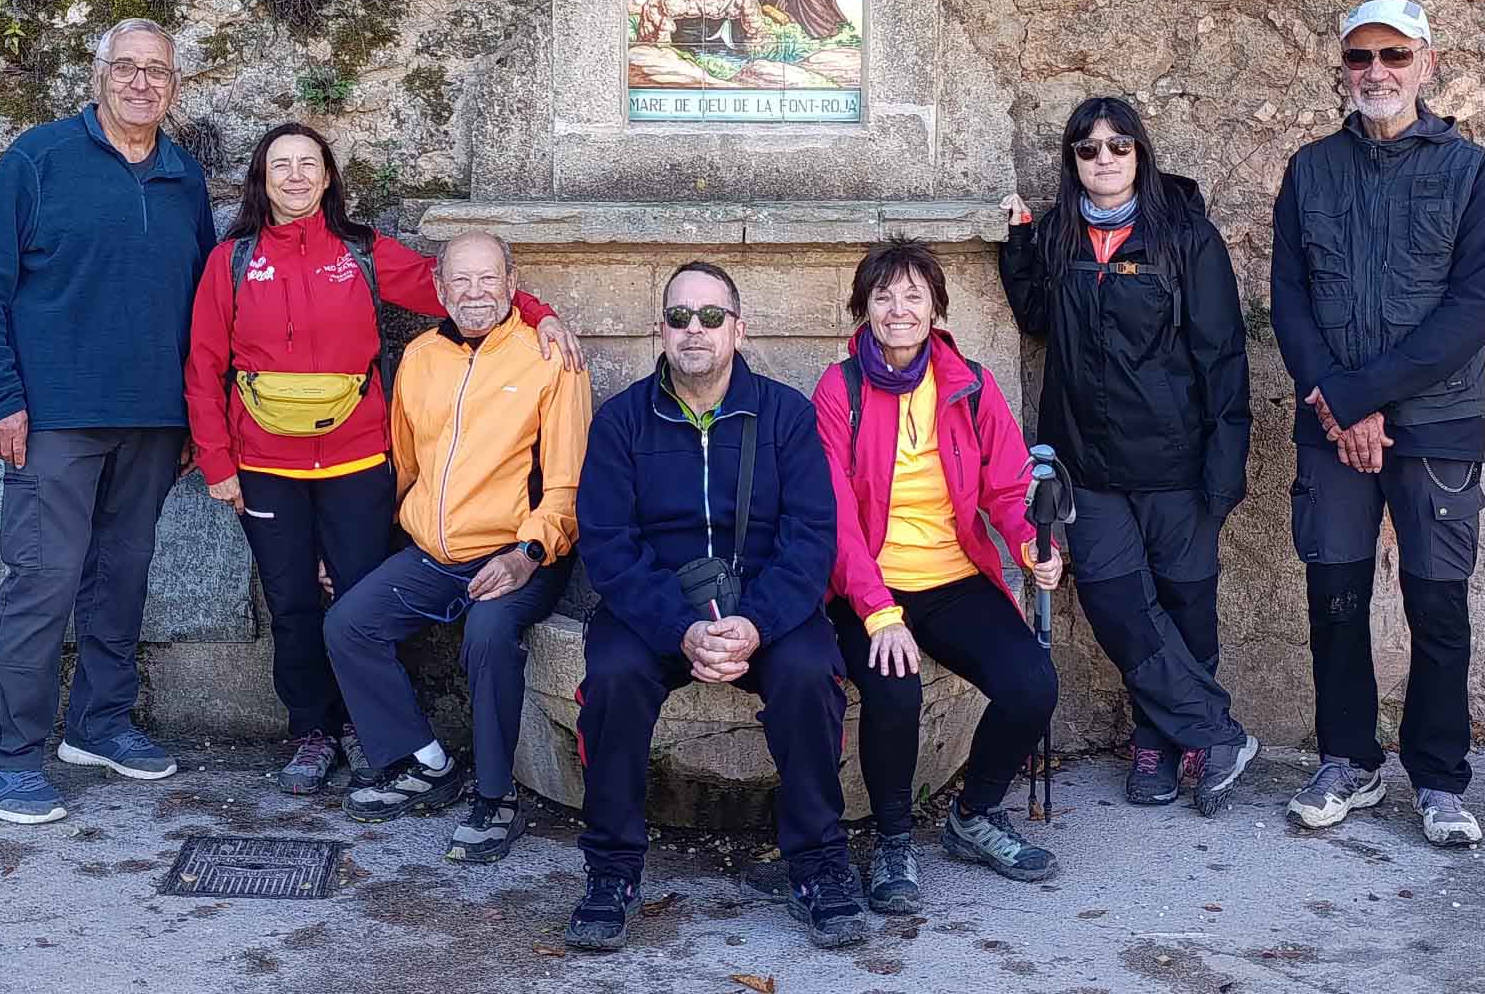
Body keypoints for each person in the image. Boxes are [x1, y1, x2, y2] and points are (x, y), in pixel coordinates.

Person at [183, 125, 582, 796]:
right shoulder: (231, 260)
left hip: (359, 462)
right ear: (262, 178)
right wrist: (216, 459)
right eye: (281, 165)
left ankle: (372, 735)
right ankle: (312, 729)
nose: (296, 176)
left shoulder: (363, 253)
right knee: (289, 602)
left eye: (309, 164)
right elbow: (203, 363)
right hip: (266, 463)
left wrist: (540, 313)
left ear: (330, 177)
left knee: (359, 597)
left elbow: (461, 290)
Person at [0, 17, 216, 824]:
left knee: (121, 578)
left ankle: (98, 725)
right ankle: (1, 759)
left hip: (153, 424)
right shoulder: (39, 158)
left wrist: (195, 421)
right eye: (126, 67)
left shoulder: (183, 176)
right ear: (98, 75)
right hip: (55, 419)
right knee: (43, 580)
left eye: (157, 72)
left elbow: (204, 306)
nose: (142, 82)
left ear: (175, 87)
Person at [564, 262, 868, 953]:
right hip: (657, 608)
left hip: (765, 605)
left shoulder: (785, 415)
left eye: (709, 316)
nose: (693, 330)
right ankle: (612, 869)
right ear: (660, 330)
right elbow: (608, 545)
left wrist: (754, 623)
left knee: (808, 674)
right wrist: (682, 628)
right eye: (679, 317)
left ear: (739, 327)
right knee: (612, 678)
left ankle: (818, 863)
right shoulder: (621, 423)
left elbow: (810, 536)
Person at [1271, 0, 1485, 848]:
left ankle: (1440, 779)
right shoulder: (1309, 171)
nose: (1377, 72)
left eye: (1394, 56)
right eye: (1361, 57)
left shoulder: (1472, 172)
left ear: (1426, 64)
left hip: (1435, 424)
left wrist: (1364, 397)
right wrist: (1340, 402)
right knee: (1334, 595)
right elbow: (1290, 302)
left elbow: (1471, 311)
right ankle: (1348, 761)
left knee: (1436, 603)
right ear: (1343, 67)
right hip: (1333, 426)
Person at [999, 96, 1259, 816]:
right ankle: (1213, 732)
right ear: (1072, 160)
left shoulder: (1186, 238)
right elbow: (1038, 320)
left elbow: (1223, 358)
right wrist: (1019, 246)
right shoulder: (1059, 236)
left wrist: (1224, 469)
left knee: (1185, 605)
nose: (1103, 159)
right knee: (1119, 605)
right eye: (1088, 149)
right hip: (1089, 466)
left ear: (1140, 154)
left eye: (1118, 146)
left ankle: (1162, 739)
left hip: (1180, 464)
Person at [321, 230, 591, 864]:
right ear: (439, 289)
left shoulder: (549, 357)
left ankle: (496, 798)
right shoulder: (418, 357)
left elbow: (568, 484)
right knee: (348, 625)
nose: (474, 292)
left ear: (511, 281)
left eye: (488, 278)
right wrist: (368, 553)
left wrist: (527, 554)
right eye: (460, 281)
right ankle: (427, 763)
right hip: (430, 554)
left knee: (489, 636)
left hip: (517, 552)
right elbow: (404, 469)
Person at [814, 237, 1063, 915]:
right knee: (894, 690)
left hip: (952, 576)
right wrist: (878, 611)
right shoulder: (839, 389)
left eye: (913, 295)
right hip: (867, 584)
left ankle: (973, 814)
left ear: (936, 308)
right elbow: (833, 516)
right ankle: (894, 841)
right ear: (864, 309)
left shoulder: (969, 385)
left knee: (1032, 684)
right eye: (884, 295)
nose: (899, 308)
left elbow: (1010, 488)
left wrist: (1029, 546)